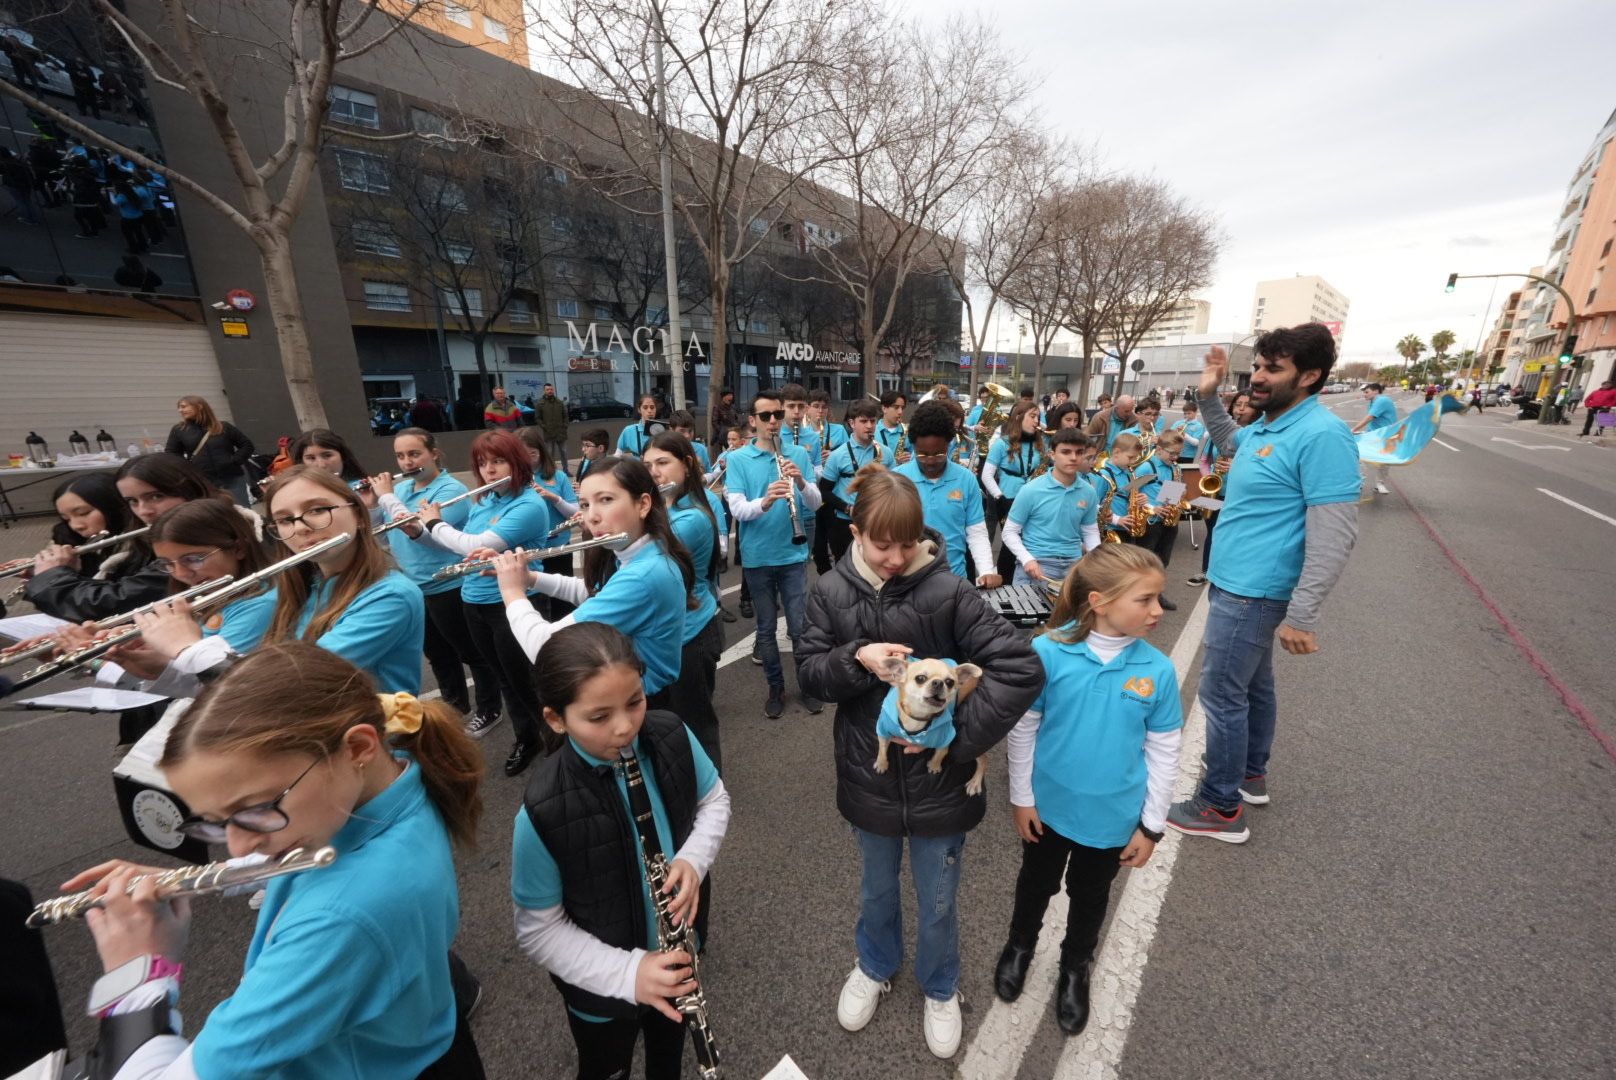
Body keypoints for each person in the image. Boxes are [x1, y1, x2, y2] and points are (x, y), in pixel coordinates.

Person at [53, 644, 485, 1078]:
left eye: (256, 810)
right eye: (216, 823)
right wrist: (202, 878)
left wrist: (140, 972)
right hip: (415, 1043)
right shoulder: (390, 778)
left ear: (357, 748)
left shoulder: (339, 920)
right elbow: (314, 862)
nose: (239, 849)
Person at [797, 465, 1041, 1059]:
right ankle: (875, 964)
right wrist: (857, 657)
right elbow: (810, 675)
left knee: (938, 897)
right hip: (868, 774)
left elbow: (1021, 669)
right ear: (853, 530)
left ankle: (940, 985)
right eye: (882, 543)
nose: (895, 556)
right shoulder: (828, 591)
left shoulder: (949, 591)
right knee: (876, 890)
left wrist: (956, 742)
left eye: (907, 543)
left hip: (943, 786)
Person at [511, 622, 730, 1080]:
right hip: (602, 992)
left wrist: (692, 858)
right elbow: (538, 928)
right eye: (599, 716)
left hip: (675, 962)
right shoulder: (543, 809)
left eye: (635, 701)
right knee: (605, 1066)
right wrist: (630, 975)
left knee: (667, 1060)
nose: (626, 727)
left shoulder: (669, 732)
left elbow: (714, 801)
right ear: (556, 719)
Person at [1167, 327, 1360, 843]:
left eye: (1272, 369)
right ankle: (1250, 775)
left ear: (1310, 376)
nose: (1257, 376)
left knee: (1221, 693)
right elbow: (1229, 438)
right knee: (1253, 687)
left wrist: (1304, 614)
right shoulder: (1269, 426)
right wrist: (1207, 395)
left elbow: (1335, 533)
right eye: (1257, 365)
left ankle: (1219, 805)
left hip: (1255, 592)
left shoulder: (1321, 434)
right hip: (1235, 583)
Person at [995, 544, 1181, 1034]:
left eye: (1157, 599)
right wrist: (1022, 797)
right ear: (1099, 601)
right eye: (1145, 600)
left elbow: (1164, 752)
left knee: (1089, 894)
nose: (1157, 611)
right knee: (1035, 883)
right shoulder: (1049, 650)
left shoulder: (1157, 672)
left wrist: (1152, 826)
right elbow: (1024, 728)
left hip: (1112, 818)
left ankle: (1075, 967)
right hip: (1048, 808)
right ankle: (1020, 945)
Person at [496, 454, 700, 751]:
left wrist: (512, 593)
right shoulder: (638, 552)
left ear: (643, 504)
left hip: (639, 703)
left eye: (605, 500)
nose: (591, 516)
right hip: (632, 696)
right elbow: (595, 594)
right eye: (585, 504)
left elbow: (545, 647)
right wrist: (530, 579)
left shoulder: (643, 575)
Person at [415, 430, 549, 776]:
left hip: (514, 603)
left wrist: (434, 521)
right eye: (483, 463)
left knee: (527, 680)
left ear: (516, 461)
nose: (489, 470)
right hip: (473, 600)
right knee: (503, 678)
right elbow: (459, 547)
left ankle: (556, 740)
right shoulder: (484, 500)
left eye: (498, 461)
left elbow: (474, 543)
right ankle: (528, 737)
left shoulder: (529, 504)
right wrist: (418, 527)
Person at [370, 428, 503, 733]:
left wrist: (387, 497)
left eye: (414, 454)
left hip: (449, 584)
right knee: (438, 655)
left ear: (434, 454)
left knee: (470, 652)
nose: (406, 462)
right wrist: (374, 503)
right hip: (414, 585)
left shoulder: (450, 491)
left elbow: (427, 536)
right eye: (400, 456)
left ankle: (490, 708)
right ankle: (454, 708)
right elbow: (380, 527)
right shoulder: (401, 492)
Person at [726, 390, 824, 719]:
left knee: (799, 629)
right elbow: (737, 509)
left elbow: (816, 503)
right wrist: (765, 501)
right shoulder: (739, 458)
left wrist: (799, 480)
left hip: (793, 556)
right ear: (752, 421)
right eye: (766, 416)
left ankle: (808, 686)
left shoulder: (798, 452)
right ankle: (775, 687)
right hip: (757, 558)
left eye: (777, 416)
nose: (773, 422)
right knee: (766, 629)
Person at [644, 431, 728, 769]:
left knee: (696, 725)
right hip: (662, 634)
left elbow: (647, 558)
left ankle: (710, 792)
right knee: (662, 723)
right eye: (647, 465)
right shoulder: (658, 508)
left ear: (687, 465)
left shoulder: (692, 517)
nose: (654, 472)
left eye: (663, 463)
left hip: (690, 635)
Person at [894, 402, 998, 587]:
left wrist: (986, 571)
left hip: (954, 579)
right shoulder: (898, 479)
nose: (931, 461)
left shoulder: (966, 480)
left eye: (939, 454)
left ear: (949, 444)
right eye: (923, 455)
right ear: (913, 446)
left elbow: (976, 532)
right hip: (908, 580)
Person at [1002, 428, 1102, 588]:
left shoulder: (1088, 491)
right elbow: (1009, 531)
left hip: (1073, 565)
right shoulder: (1031, 490)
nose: (1073, 457)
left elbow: (1090, 532)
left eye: (1079, 452)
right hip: (1037, 564)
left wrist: (1096, 561)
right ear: (1052, 454)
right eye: (1066, 452)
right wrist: (1027, 559)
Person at [1187, 392, 1254, 588]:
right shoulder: (1215, 435)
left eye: (1246, 405)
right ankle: (1207, 571)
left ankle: (1232, 574)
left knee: (1238, 535)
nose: (1240, 409)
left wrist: (1237, 467)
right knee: (1214, 532)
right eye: (1237, 405)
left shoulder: (1256, 436)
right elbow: (1203, 460)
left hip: (1240, 495)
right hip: (1215, 492)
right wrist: (1209, 477)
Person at [820, 398, 893, 567]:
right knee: (847, 567)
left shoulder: (885, 453)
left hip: (877, 520)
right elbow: (824, 491)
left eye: (872, 421)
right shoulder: (838, 455)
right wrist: (848, 508)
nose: (869, 426)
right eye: (863, 421)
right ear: (852, 423)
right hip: (846, 522)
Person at [517, 427, 581, 618]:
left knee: (563, 602)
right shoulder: (512, 479)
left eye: (533, 454)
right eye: (522, 455)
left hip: (557, 546)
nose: (528, 460)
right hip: (529, 552)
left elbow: (576, 512)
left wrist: (554, 499)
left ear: (541, 452)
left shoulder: (558, 476)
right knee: (537, 602)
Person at [982, 402, 1046, 581]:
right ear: (1018, 418)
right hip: (1008, 499)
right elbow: (987, 475)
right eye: (1032, 417)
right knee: (1010, 545)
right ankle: (1005, 584)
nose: (1036, 421)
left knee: (1029, 542)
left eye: (1038, 417)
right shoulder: (1001, 444)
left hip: (1034, 500)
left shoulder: (1040, 444)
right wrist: (999, 497)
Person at [164, 394, 256, 505]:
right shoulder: (179, 430)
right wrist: (190, 471)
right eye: (179, 407)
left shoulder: (223, 426)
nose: (180, 410)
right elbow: (171, 456)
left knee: (243, 512)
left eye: (184, 406)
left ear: (199, 406)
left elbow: (247, 445)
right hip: (204, 482)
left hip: (232, 479)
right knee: (214, 515)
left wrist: (234, 461)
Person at [1349, 383, 1399, 495]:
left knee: (1384, 461)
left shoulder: (1382, 400)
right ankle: (1360, 483)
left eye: (1367, 392)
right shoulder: (1372, 402)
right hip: (1374, 434)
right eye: (1364, 392)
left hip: (1387, 436)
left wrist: (1354, 429)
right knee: (1359, 455)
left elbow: (1370, 417)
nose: (1364, 394)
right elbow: (1374, 422)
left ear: (1376, 391)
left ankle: (1380, 485)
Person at [290, 428, 368, 483]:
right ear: (301, 462)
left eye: (327, 456)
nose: (321, 465)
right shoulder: (296, 494)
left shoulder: (365, 489)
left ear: (343, 457)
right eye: (311, 458)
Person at [536, 382, 570, 470]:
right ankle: (552, 471)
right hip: (549, 433)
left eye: (551, 389)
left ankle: (566, 470)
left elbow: (565, 416)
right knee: (550, 453)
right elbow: (538, 418)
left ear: (553, 390)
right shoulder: (540, 403)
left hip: (560, 432)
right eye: (548, 390)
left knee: (564, 452)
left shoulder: (559, 402)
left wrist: (565, 426)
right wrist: (544, 427)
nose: (550, 391)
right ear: (544, 391)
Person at [875, 391, 910, 464]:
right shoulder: (872, 432)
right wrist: (895, 462)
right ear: (884, 408)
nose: (900, 412)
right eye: (896, 407)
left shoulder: (908, 431)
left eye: (902, 408)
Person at [1170, 400, 1204, 465]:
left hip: (1188, 455)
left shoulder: (1198, 426)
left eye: (1189, 413)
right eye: (1185, 413)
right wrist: (1175, 432)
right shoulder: (1179, 423)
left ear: (1195, 412)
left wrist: (1184, 435)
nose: (1186, 416)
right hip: (1174, 453)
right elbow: (1168, 435)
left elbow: (1196, 443)